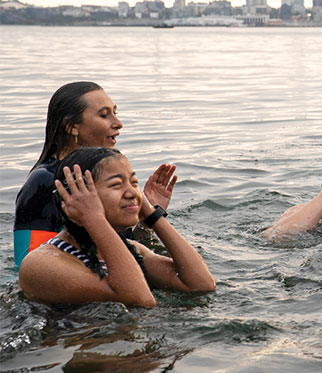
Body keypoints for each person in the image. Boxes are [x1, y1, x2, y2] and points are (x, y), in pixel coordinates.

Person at [18, 147, 216, 307]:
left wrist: (151, 213)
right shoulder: (41, 264)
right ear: (77, 196)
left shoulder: (131, 249)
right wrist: (94, 218)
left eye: (134, 182)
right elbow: (140, 298)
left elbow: (200, 284)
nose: (131, 192)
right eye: (116, 185)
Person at [13, 82, 176, 269]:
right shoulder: (45, 181)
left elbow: (122, 246)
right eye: (104, 115)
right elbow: (27, 267)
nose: (118, 124)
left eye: (116, 113)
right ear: (72, 127)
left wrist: (148, 217)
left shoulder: (105, 173)